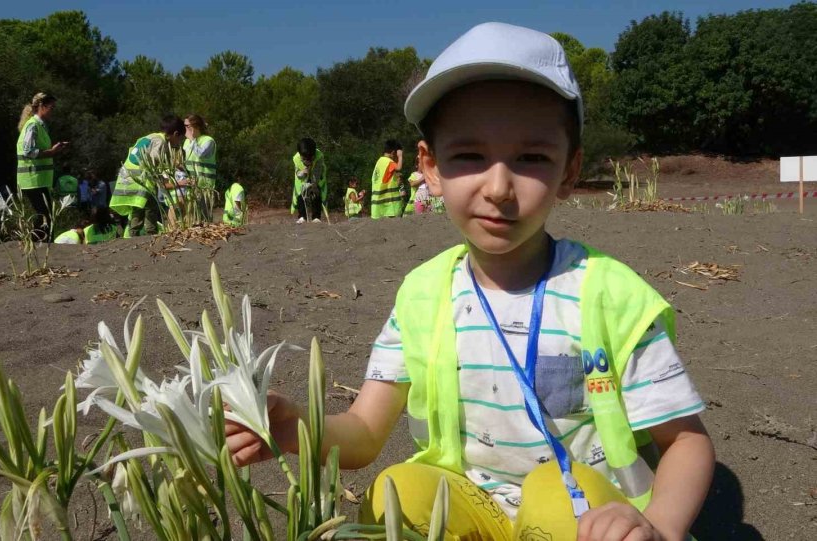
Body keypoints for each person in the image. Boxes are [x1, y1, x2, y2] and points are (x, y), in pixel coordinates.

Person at [225, 23, 714, 541]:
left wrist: (659, 525)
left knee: (554, 498)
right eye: (469, 156)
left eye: (531, 158)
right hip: (469, 505)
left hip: (583, 514)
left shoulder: (610, 296)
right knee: (396, 491)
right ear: (431, 168)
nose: (499, 187)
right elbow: (365, 432)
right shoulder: (423, 296)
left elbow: (686, 441)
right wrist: (293, 425)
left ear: (569, 171)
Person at [109, 115, 185, 236]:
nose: (179, 143)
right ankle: (151, 232)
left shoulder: (149, 136)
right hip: (141, 179)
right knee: (151, 206)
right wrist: (169, 168)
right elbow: (153, 161)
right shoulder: (161, 142)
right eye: (180, 139)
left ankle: (133, 233)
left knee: (138, 206)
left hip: (128, 178)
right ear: (176, 134)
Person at [16, 92, 68, 238]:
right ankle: (39, 244)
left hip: (37, 180)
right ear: (42, 106)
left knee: (44, 216)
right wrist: (51, 152)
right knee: (45, 217)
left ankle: (39, 244)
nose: (53, 111)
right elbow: (28, 151)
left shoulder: (39, 126)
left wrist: (54, 150)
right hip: (32, 180)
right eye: (51, 107)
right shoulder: (33, 125)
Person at [183, 114, 218, 220]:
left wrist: (192, 139)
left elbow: (200, 154)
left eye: (187, 126)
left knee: (205, 219)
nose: (185, 129)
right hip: (191, 186)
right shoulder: (186, 142)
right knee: (192, 220)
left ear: (196, 126)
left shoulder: (208, 141)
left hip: (205, 187)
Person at [291, 138, 327, 224]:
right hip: (302, 178)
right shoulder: (296, 158)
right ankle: (302, 216)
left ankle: (316, 217)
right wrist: (303, 172)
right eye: (305, 159)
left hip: (316, 176)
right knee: (300, 194)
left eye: (310, 158)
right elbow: (298, 174)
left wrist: (314, 184)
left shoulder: (319, 156)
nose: (307, 161)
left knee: (316, 193)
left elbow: (317, 173)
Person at [370, 140, 404, 219]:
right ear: (393, 152)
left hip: (378, 203)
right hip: (390, 204)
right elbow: (399, 167)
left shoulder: (379, 161)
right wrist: (400, 156)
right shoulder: (389, 162)